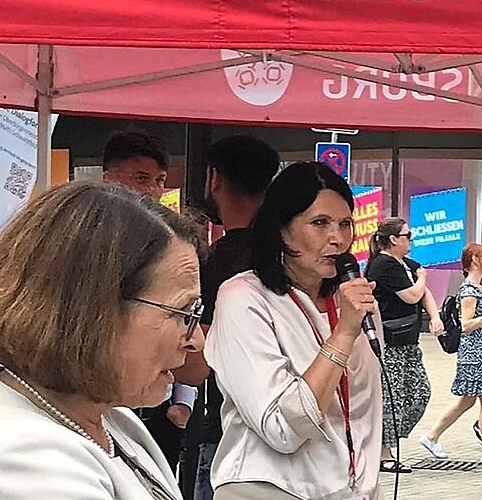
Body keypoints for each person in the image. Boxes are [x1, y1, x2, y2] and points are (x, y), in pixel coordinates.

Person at [0, 182, 205, 499]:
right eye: (182, 312)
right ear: (91, 312)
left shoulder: (109, 419)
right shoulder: (25, 460)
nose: (195, 340)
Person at [205, 162, 383, 499]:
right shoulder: (243, 298)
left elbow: (363, 418)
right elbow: (282, 429)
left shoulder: (352, 303)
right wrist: (342, 336)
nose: (337, 238)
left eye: (346, 224)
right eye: (320, 223)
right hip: (269, 488)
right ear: (281, 229)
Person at [101, 130, 206, 470]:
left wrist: (184, 402)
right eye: (140, 178)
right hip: (102, 401)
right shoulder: (89, 254)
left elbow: (186, 325)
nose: (152, 191)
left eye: (159, 180)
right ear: (109, 180)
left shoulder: (169, 247)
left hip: (158, 409)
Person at [194, 135, 279, 500]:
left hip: (229, 434)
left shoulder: (218, 263)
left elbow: (196, 365)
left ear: (214, 179)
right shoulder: (284, 258)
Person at [420, 243, 482, 466]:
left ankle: (431, 437)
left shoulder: (478, 288)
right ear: (474, 260)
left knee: (467, 401)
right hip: (475, 354)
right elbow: (465, 324)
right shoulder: (469, 291)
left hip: (481, 353)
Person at [365, 217, 443, 473]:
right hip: (389, 342)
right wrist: (422, 279)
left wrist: (435, 317)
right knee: (391, 397)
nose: (411, 239)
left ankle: (385, 441)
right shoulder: (383, 265)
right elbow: (412, 295)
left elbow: (424, 294)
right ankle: (383, 453)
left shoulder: (406, 265)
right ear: (393, 240)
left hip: (409, 341)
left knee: (420, 392)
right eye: (407, 235)